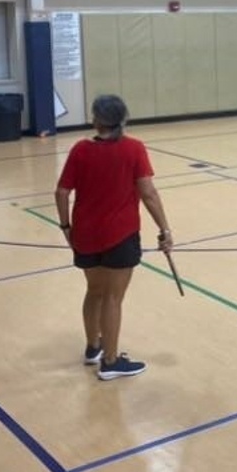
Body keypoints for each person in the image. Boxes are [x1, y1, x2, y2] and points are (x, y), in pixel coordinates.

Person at [55, 94, 173, 381]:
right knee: (113, 298)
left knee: (94, 291)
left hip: (84, 234)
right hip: (121, 235)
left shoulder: (81, 150)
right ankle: (110, 361)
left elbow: (61, 192)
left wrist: (66, 227)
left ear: (96, 120)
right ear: (123, 119)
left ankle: (93, 347)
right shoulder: (133, 149)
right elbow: (148, 193)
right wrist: (165, 229)